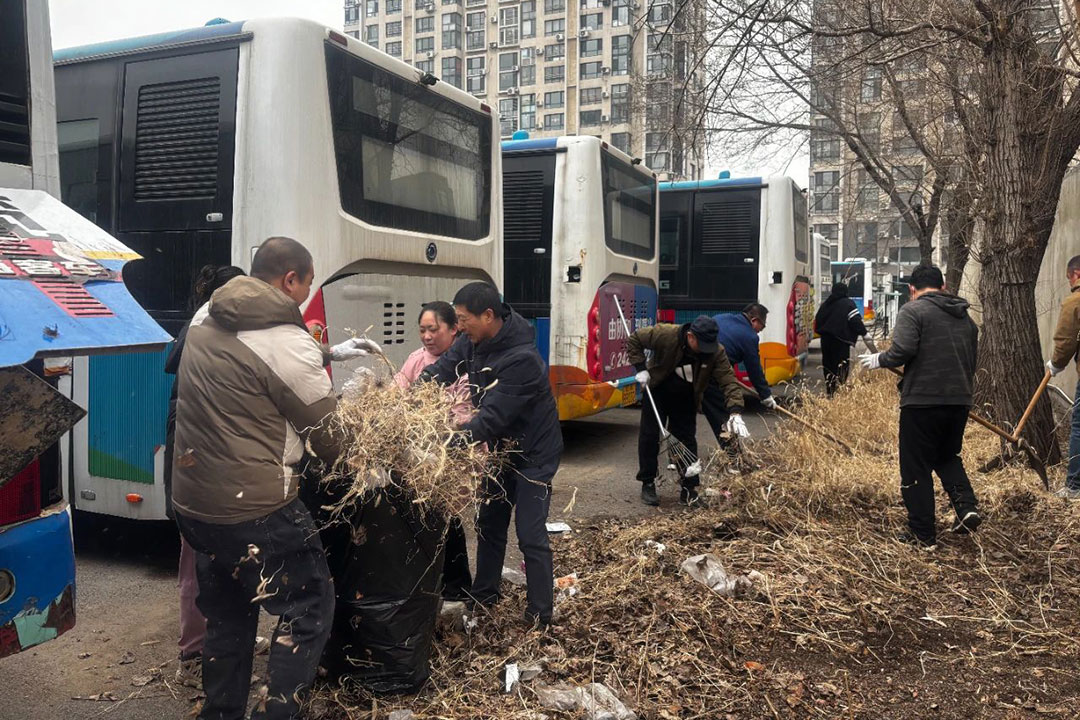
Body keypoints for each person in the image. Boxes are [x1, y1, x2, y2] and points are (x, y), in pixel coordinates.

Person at [171, 237, 380, 719]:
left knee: (228, 612)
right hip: (255, 508)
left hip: (195, 506)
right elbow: (330, 439)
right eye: (307, 285)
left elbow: (252, 364)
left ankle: (221, 713)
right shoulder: (286, 341)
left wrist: (326, 352)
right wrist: (367, 444)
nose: (306, 295)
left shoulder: (205, 315)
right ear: (290, 280)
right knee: (309, 605)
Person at [419, 282, 563, 627]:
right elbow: (443, 369)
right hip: (503, 448)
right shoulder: (473, 340)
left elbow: (490, 420)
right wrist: (414, 391)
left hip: (534, 452)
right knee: (489, 522)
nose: (459, 326)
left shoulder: (522, 359)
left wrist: (440, 442)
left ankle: (540, 614)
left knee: (529, 532)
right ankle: (484, 597)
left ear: (487, 315)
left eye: (463, 318)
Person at [164, 264, 250, 688]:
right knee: (195, 562)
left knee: (218, 562)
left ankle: (215, 641)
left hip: (210, 469)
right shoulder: (201, 336)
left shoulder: (204, 334)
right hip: (195, 470)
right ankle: (194, 652)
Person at [859, 264, 981, 548]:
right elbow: (971, 361)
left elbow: (903, 349)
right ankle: (966, 507)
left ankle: (922, 534)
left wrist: (880, 359)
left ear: (912, 289)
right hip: (959, 400)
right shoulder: (966, 319)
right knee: (947, 456)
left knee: (916, 467)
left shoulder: (912, 311)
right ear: (943, 287)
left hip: (922, 401)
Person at [393, 300, 474, 601]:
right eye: (422, 330)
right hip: (416, 456)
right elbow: (398, 392)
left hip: (451, 456)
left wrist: (432, 429)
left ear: (453, 330)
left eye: (434, 330)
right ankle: (425, 586)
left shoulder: (466, 367)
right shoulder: (416, 360)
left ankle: (457, 588)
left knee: (446, 517)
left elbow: (463, 416)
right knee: (417, 518)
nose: (427, 336)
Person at [628, 315, 747, 507]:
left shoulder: (715, 351)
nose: (705, 351)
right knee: (649, 436)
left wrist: (735, 411)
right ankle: (647, 482)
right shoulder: (666, 334)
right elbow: (634, 339)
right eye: (702, 345)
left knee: (687, 439)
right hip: (657, 390)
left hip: (686, 396)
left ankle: (689, 489)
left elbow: (728, 381)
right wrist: (641, 368)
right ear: (691, 336)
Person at [703, 304, 775, 441]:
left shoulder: (721, 318)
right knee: (723, 418)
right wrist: (765, 394)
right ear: (754, 320)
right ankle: (732, 452)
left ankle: (679, 454)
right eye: (762, 327)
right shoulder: (750, 337)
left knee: (684, 420)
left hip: (696, 369)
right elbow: (754, 369)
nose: (759, 331)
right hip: (714, 377)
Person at [1046, 254, 1080, 499]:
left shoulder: (1075, 301)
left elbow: (1067, 340)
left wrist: (1056, 364)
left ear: (1075, 274)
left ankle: (1074, 486)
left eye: (1069, 278)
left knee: (1079, 427)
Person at [815, 282, 878, 395]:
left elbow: (818, 320)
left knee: (828, 366)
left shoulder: (825, 304)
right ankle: (841, 390)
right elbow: (855, 321)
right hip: (840, 341)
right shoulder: (848, 304)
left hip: (825, 340)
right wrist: (864, 333)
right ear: (845, 292)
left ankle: (830, 391)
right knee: (842, 366)